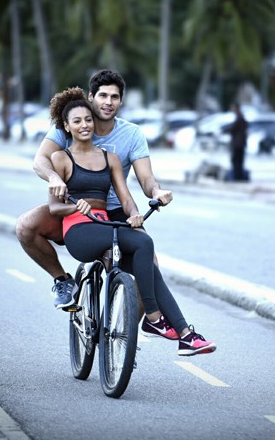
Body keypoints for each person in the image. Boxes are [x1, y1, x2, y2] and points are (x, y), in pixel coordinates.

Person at [46, 89, 216, 356]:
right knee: (140, 249)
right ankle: (155, 317)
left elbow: (125, 197)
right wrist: (74, 205)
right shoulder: (60, 158)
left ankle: (183, 334)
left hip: (105, 225)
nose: (84, 125)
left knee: (145, 248)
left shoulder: (109, 158)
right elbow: (54, 207)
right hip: (79, 229)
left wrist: (134, 214)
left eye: (87, 120)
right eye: (76, 121)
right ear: (66, 126)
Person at [16, 69, 172, 310]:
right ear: (91, 97)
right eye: (103, 96)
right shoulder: (70, 121)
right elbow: (40, 160)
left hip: (115, 211)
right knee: (25, 226)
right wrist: (54, 177)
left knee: (149, 268)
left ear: (121, 101)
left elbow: (146, 178)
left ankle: (124, 332)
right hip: (73, 210)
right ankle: (63, 281)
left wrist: (156, 193)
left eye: (114, 97)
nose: (108, 102)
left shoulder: (131, 134)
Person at [226, 102, 248, 181]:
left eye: (233, 108)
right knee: (238, 161)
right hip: (240, 143)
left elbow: (233, 128)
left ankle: (238, 176)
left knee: (236, 161)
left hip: (238, 144)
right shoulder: (240, 117)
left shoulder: (239, 117)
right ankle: (238, 176)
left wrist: (225, 130)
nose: (232, 110)